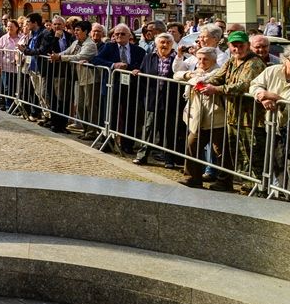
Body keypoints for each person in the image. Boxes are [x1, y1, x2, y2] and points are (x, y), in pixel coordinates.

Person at [199, 30, 267, 191]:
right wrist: (203, 82)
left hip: (251, 118)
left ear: (248, 46)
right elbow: (218, 76)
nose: (237, 49)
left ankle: (257, 189)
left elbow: (243, 85)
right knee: (238, 153)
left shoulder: (254, 63)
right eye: (234, 46)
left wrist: (215, 89)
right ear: (229, 46)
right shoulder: (231, 61)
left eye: (240, 45)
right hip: (233, 115)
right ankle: (242, 184)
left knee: (253, 154)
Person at [132, 33, 188, 168]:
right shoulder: (149, 57)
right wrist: (137, 72)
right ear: (156, 44)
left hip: (171, 99)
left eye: (168, 43)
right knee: (149, 127)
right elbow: (143, 71)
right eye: (162, 42)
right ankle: (142, 156)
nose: (165, 45)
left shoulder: (178, 58)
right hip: (152, 97)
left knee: (169, 130)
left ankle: (169, 159)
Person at [91, 23, 147, 154]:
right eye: (116, 34)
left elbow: (141, 65)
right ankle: (107, 142)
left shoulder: (138, 50)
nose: (119, 36)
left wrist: (130, 68)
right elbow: (96, 60)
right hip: (112, 86)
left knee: (130, 116)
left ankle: (127, 144)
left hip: (131, 87)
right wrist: (113, 65)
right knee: (109, 115)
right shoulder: (109, 47)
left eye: (122, 34)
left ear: (129, 35)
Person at [174, 47, 225, 188]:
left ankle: (225, 181)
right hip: (198, 117)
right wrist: (189, 74)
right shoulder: (196, 70)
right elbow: (176, 74)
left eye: (205, 59)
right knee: (192, 144)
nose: (201, 62)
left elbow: (203, 81)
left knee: (220, 150)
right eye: (199, 59)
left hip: (216, 115)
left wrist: (192, 77)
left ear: (213, 60)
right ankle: (193, 178)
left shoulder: (218, 70)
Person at [51, 20, 98, 139]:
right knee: (81, 106)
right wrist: (56, 56)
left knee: (90, 105)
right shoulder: (76, 42)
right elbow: (67, 51)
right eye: (75, 30)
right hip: (79, 78)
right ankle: (86, 129)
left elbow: (79, 57)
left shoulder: (90, 44)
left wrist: (60, 57)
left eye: (78, 30)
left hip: (90, 79)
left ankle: (92, 131)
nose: (75, 32)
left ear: (85, 31)